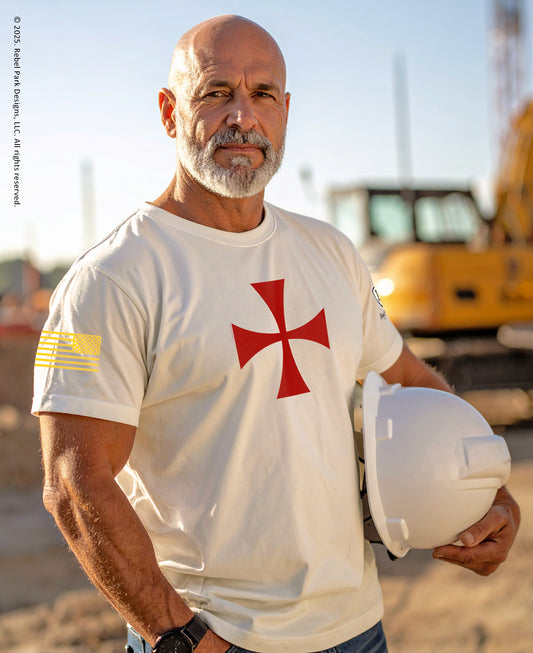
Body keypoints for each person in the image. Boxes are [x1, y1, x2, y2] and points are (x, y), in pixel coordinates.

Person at [33, 15, 520, 653]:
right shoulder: (103, 282)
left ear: (285, 111)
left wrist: (486, 484)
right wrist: (181, 638)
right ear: (168, 111)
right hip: (214, 637)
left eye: (263, 95)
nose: (243, 117)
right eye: (215, 94)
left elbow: (405, 377)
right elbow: (72, 484)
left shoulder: (334, 254)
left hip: (357, 632)